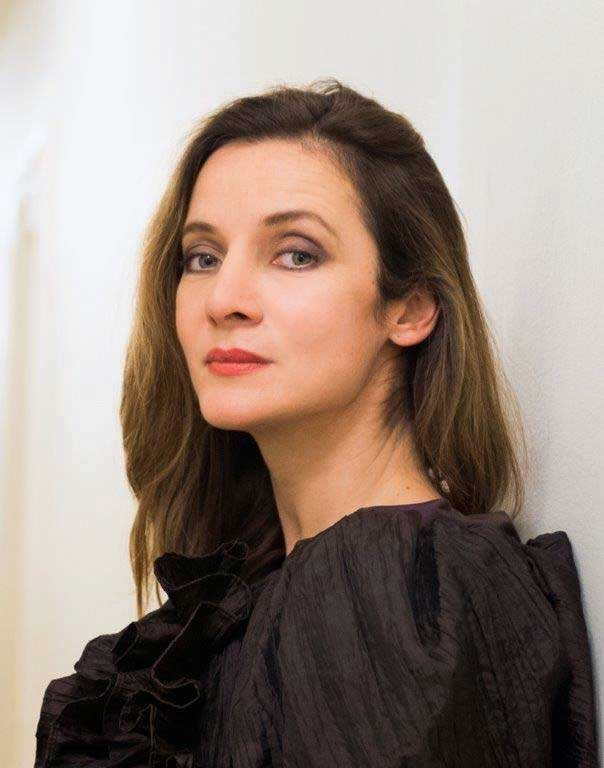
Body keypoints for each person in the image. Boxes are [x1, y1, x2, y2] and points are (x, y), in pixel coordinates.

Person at [34, 78, 598, 767]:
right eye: (203, 257)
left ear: (409, 308)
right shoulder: (272, 590)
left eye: (296, 254)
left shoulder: (400, 598)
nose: (224, 299)